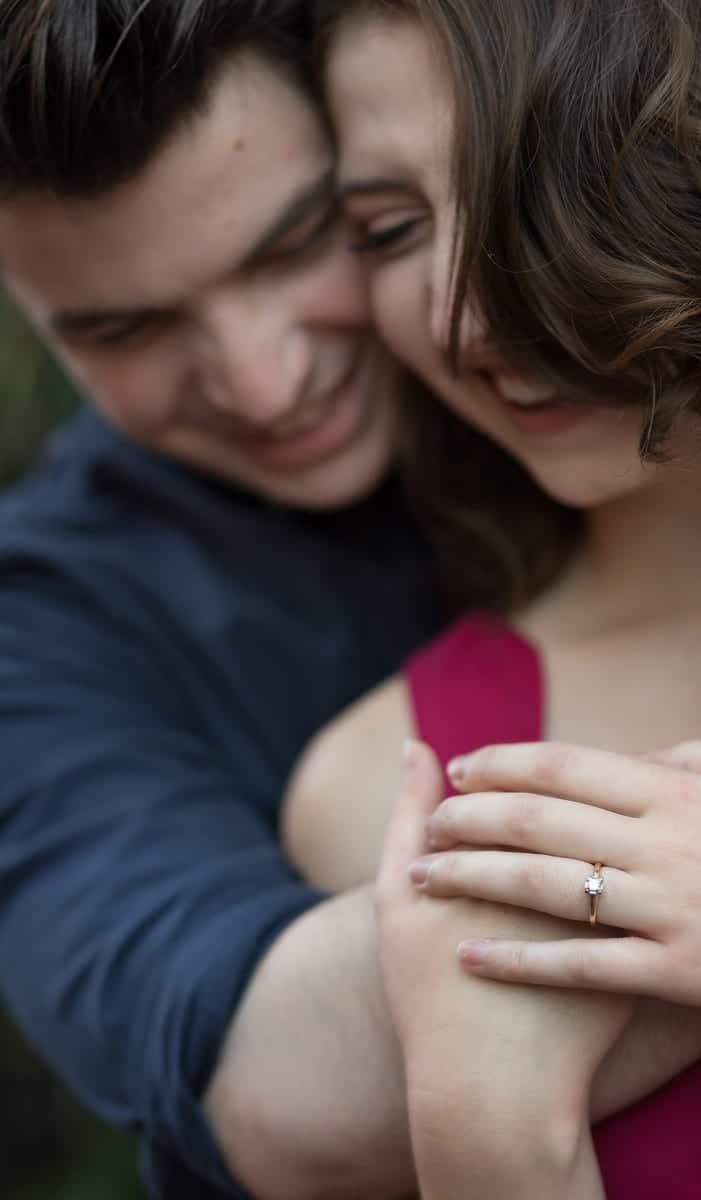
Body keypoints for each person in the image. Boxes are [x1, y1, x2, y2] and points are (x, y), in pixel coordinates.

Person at [285, 0, 701, 1194]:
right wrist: (492, 1145)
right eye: (393, 227)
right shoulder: (382, 787)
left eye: (538, 181)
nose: (461, 317)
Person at [0, 3, 448, 1198]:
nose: (265, 382)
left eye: (299, 241)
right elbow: (268, 1079)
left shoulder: (674, 371)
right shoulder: (38, 629)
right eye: (128, 330)